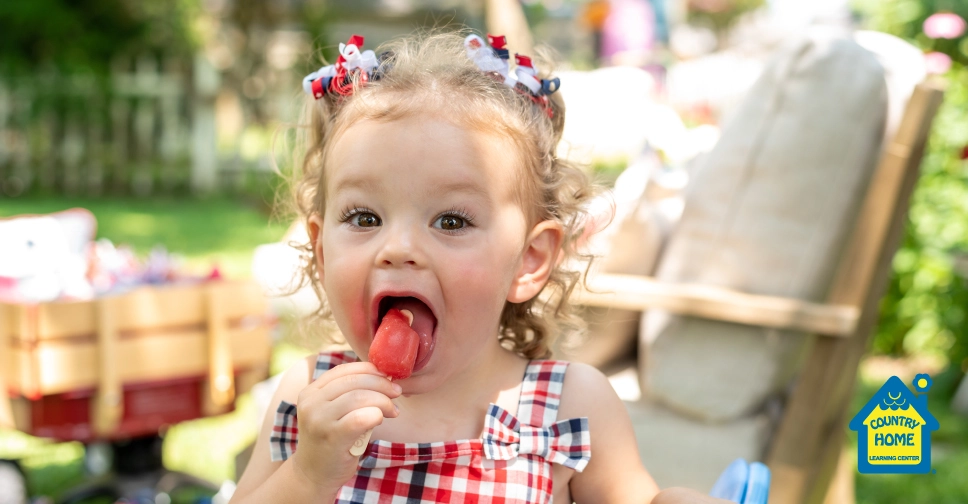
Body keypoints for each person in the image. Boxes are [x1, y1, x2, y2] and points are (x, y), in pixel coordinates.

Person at [230, 31, 730, 504]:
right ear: (321, 251)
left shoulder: (569, 407)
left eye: (451, 220)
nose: (398, 247)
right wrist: (307, 475)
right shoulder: (307, 399)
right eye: (364, 217)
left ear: (528, 261)